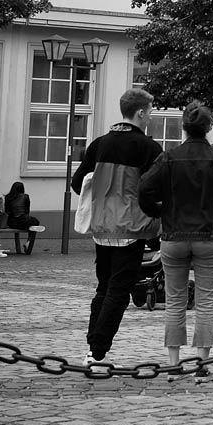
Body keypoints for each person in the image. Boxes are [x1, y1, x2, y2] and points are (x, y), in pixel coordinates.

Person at [140, 103, 213, 379]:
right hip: (210, 237)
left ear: (184, 127)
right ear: (209, 127)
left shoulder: (169, 157)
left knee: (175, 302)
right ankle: (201, 364)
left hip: (174, 236)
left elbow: (144, 188)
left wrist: (159, 211)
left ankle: (174, 365)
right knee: (205, 303)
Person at [71, 88, 164, 364]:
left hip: (101, 228)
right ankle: (98, 353)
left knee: (103, 288)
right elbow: (156, 190)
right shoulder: (148, 148)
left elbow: (77, 183)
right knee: (119, 292)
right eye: (150, 112)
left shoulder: (99, 144)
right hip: (131, 229)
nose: (150, 117)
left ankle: (92, 348)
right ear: (140, 113)